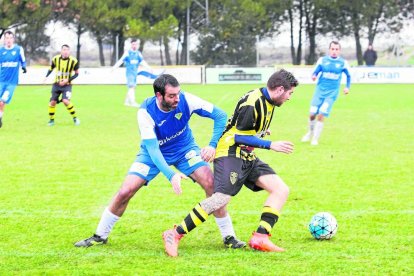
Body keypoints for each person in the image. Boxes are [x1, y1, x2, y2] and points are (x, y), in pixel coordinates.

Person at [75, 74, 245, 249]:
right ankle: (100, 236)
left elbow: (220, 115)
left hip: (184, 149)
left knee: (211, 184)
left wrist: (212, 145)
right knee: (126, 190)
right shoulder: (145, 112)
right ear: (159, 95)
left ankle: (229, 237)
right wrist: (171, 175)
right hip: (152, 153)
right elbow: (153, 150)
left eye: (178, 94)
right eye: (171, 96)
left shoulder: (186, 100)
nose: (177, 99)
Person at [162, 69, 299, 257]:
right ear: (280, 89)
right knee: (220, 198)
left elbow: (245, 130)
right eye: (290, 93)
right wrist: (270, 144)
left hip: (247, 154)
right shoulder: (254, 102)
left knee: (280, 189)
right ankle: (175, 234)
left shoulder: (269, 101)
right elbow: (238, 136)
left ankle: (261, 236)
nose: (289, 97)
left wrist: (259, 135)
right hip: (230, 151)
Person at [301, 41, 351, 145]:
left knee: (321, 113)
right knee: (312, 114)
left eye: (336, 49)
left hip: (332, 93)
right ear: (329, 50)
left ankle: (315, 138)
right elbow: (316, 71)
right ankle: (310, 133)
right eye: (332, 49)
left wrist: (347, 87)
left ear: (339, 51)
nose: (334, 51)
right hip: (319, 91)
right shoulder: (322, 60)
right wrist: (314, 76)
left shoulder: (343, 63)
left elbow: (349, 76)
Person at [43, 44, 80, 126]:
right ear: (61, 51)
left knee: (65, 101)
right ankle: (51, 121)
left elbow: (77, 74)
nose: (65, 51)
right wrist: (46, 77)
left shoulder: (74, 61)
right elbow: (51, 68)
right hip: (56, 84)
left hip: (67, 85)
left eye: (67, 50)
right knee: (52, 102)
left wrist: (67, 80)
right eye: (64, 49)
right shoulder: (55, 59)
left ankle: (75, 118)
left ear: (69, 51)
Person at [112, 39, 152, 107]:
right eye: (133, 44)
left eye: (136, 44)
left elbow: (142, 62)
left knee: (132, 88)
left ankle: (126, 102)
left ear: (137, 45)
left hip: (135, 73)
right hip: (129, 73)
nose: (134, 45)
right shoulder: (128, 53)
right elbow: (121, 61)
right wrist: (114, 68)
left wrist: (149, 68)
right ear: (131, 45)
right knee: (131, 87)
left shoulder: (138, 53)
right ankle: (133, 102)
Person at [0, 30, 26, 128]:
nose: (9, 40)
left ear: (13, 39)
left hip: (11, 83)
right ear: (4, 39)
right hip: (1, 81)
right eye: (7, 38)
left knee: (2, 101)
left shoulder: (18, 49)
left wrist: (24, 67)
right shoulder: (1, 51)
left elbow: (23, 60)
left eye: (10, 38)